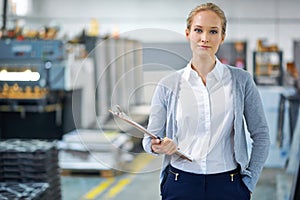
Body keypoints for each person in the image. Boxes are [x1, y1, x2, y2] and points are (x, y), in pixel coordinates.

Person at [142, 2, 270, 200]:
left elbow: (261, 135)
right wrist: (156, 146)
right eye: (198, 30)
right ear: (187, 33)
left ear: (222, 37)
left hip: (229, 185)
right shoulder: (168, 84)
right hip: (180, 184)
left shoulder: (241, 81)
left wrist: (248, 184)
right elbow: (149, 139)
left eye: (213, 31)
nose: (204, 38)